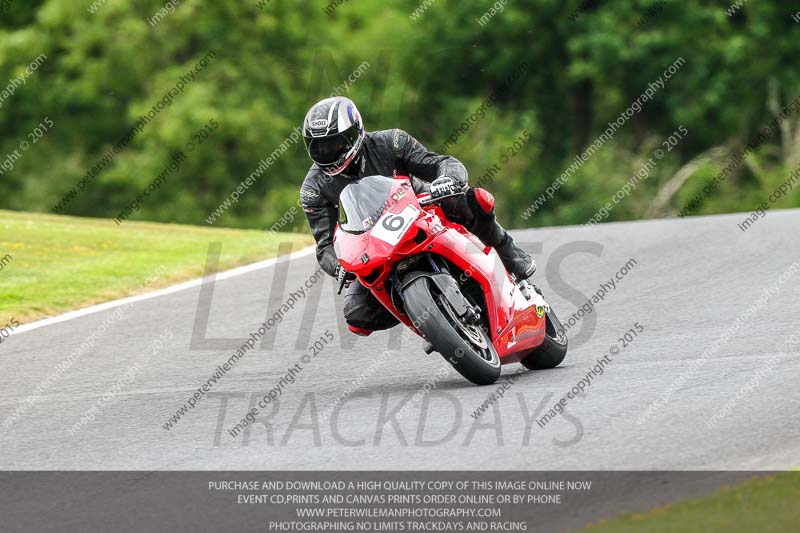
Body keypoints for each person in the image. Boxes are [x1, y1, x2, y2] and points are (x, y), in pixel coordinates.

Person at [299, 96, 534, 335]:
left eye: (334, 143)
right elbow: (326, 245)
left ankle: (511, 256)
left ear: (354, 132)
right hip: (373, 245)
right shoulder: (313, 189)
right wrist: (338, 266)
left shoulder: (391, 142)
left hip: (419, 209)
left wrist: (447, 180)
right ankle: (428, 317)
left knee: (471, 201)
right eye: (319, 146)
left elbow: (440, 163)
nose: (327, 152)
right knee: (356, 312)